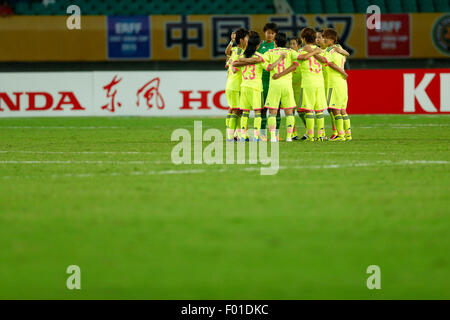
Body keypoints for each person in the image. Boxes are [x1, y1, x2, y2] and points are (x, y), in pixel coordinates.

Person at [322, 28, 352, 141]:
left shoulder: (329, 50)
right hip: (342, 83)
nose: (324, 39)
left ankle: (340, 135)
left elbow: (330, 64)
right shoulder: (339, 48)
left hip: (333, 82)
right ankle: (348, 134)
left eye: (326, 37)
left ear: (331, 39)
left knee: (335, 109)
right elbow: (347, 54)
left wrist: (342, 72)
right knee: (343, 109)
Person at [225, 28, 249, 142]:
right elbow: (234, 68)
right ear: (242, 39)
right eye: (246, 38)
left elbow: (228, 57)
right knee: (237, 110)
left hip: (232, 83)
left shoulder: (236, 50)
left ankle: (235, 134)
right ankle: (231, 136)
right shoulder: (239, 52)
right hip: (236, 84)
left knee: (236, 110)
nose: (247, 40)